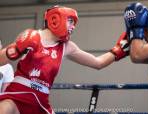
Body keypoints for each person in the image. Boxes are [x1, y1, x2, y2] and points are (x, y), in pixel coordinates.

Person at [0, 5, 129, 114]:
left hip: (41, 101)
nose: (73, 27)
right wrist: (15, 50)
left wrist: (118, 50)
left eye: (74, 23)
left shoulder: (67, 47)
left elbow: (98, 63)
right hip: (17, 94)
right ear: (55, 19)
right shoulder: (32, 36)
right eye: (70, 21)